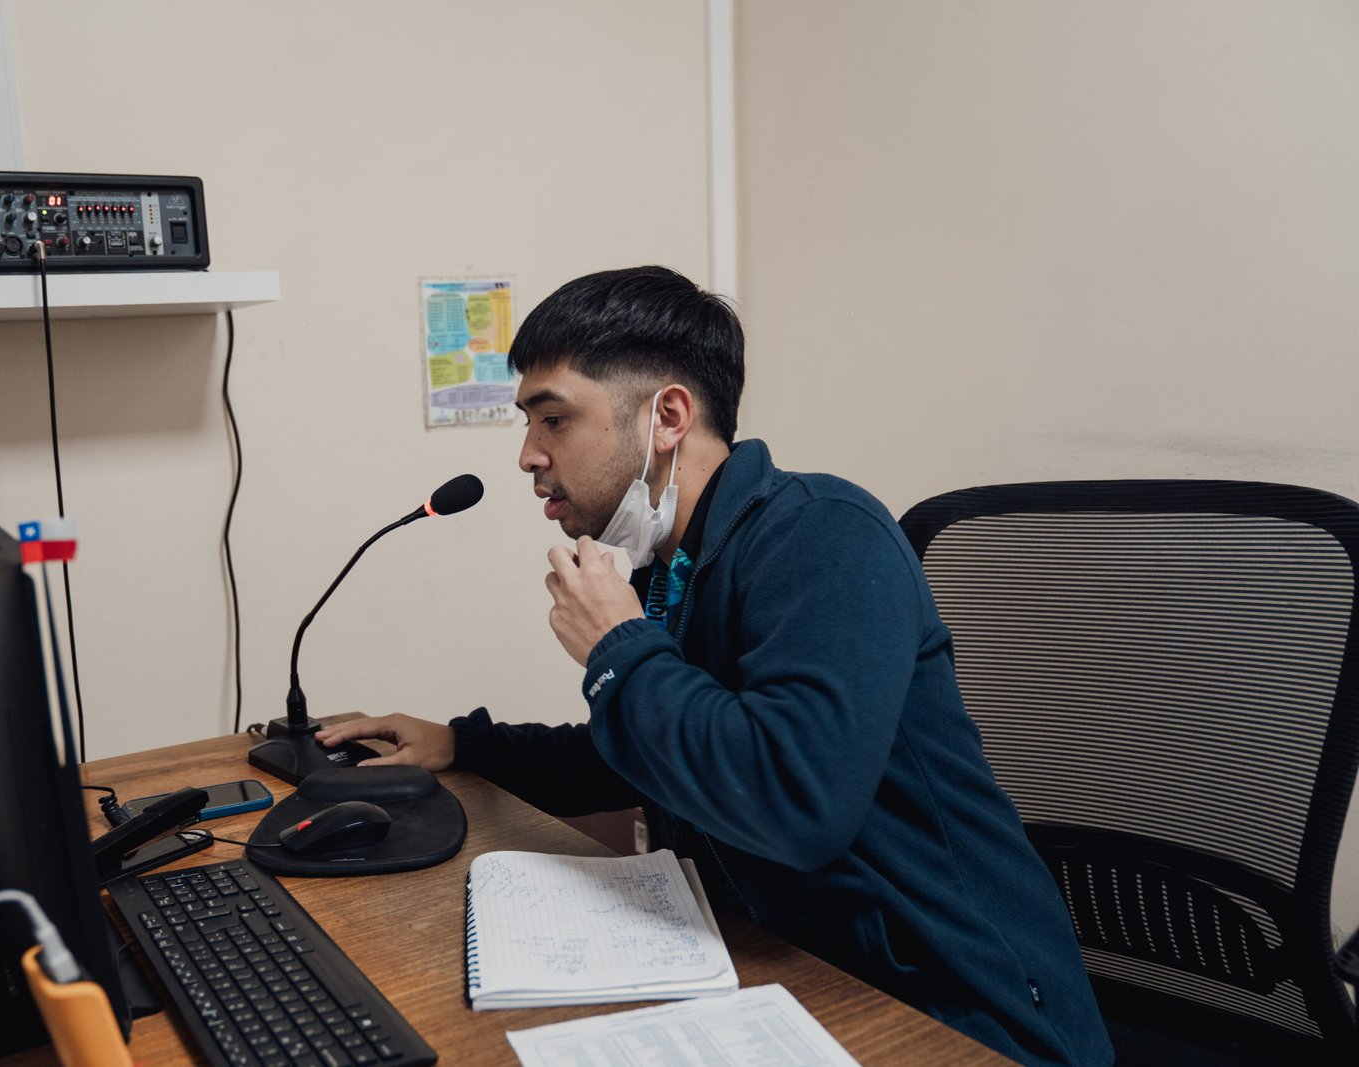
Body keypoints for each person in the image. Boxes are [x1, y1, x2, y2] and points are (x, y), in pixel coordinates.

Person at [316, 266, 1114, 1066]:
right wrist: (465, 744)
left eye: (553, 419)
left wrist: (618, 647)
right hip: (787, 972)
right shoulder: (674, 567)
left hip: (960, 1012)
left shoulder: (825, 536)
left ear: (667, 416)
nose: (529, 455)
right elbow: (657, 755)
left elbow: (794, 801)